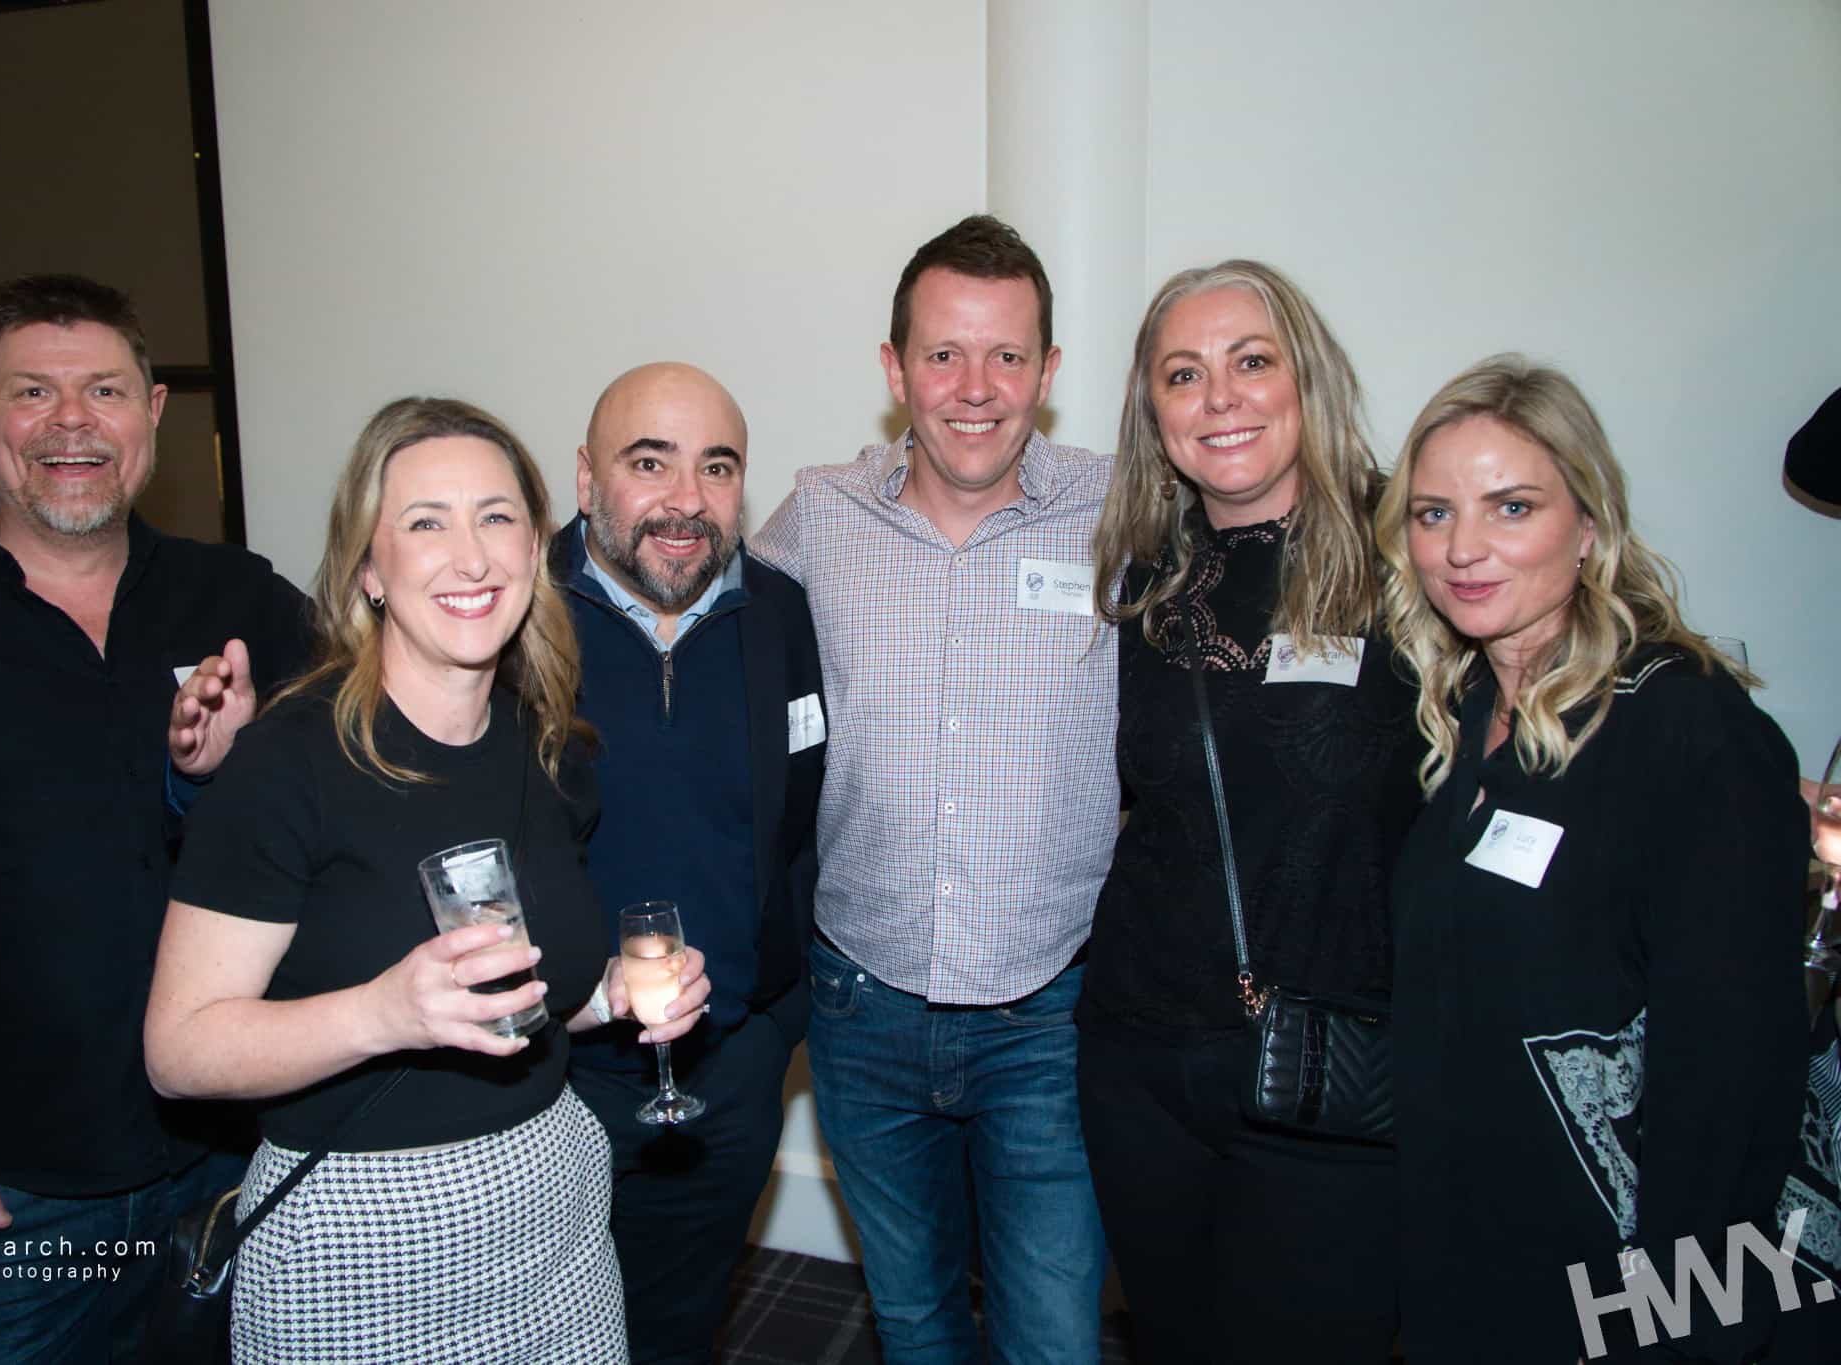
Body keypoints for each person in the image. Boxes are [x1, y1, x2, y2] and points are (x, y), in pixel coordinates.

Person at [0, 274, 311, 1362]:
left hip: (235, 1161)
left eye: (104, 392)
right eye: (33, 391)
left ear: (153, 412)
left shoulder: (243, 602)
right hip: (1, 1189)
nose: (73, 422)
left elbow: (360, 787)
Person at [143, 396, 711, 1363]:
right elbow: (178, 1050)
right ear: (368, 568)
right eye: (425, 523)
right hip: (360, 1240)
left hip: (555, 1217)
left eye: (496, 517)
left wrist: (608, 994)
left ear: (535, 547)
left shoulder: (548, 748)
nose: (471, 557)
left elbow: (516, 1006)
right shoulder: (287, 761)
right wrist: (383, 1012)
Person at [1376, 356, 1805, 1363]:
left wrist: (1680, 1326)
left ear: (1589, 525)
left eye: (1511, 506)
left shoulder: (1687, 731)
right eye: (1433, 514)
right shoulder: (1459, 714)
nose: (1462, 548)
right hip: (1472, 1265)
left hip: (1625, 1297)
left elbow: (1732, 1091)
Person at [750, 215, 1115, 1362]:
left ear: (1047, 373)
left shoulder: (1121, 516)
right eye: (943, 354)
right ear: (893, 367)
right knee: (912, 1322)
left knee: (1052, 1337)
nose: (974, 388)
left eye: (1006, 355)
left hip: (1048, 1010)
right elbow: (700, 640)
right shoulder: (817, 517)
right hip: (861, 1000)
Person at [1076, 260, 1419, 1363]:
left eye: (1251, 361)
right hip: (1139, 1056)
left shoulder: (1409, 555)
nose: (1218, 396)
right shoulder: (1138, 578)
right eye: (1183, 374)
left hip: (1333, 1063)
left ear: (1306, 379)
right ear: (1154, 413)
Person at [557, 362, 823, 1363]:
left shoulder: (782, 616)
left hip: (723, 1073)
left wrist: (771, 1017)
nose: (686, 500)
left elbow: (806, 821)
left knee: (677, 1327)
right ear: (586, 478)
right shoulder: (510, 617)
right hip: (547, 1078)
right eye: (648, 463)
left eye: (716, 467)